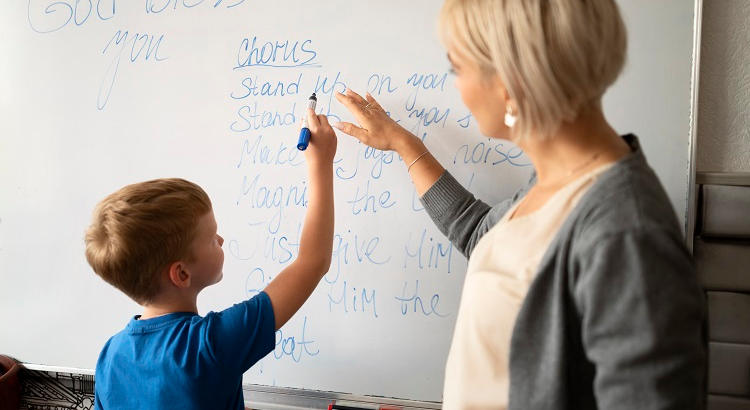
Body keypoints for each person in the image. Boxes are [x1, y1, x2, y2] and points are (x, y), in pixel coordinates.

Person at [333, 0, 706, 409]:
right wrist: (406, 146)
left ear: (509, 81)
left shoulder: (627, 234)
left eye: (457, 68)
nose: (456, 85)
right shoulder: (556, 182)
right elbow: (482, 236)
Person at [84, 109, 337, 409]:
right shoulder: (211, 345)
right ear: (181, 274)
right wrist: (321, 163)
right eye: (211, 237)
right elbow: (312, 262)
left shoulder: (110, 355)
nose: (221, 240)